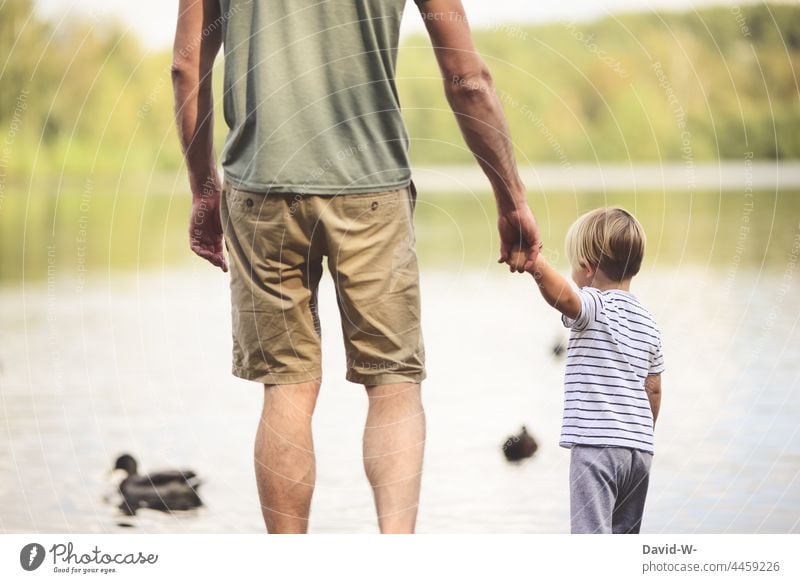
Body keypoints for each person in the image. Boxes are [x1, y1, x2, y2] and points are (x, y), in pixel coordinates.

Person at [171, 0, 540, 534]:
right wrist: (510, 197)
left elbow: (187, 67)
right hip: (372, 188)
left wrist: (203, 189)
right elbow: (467, 78)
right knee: (393, 384)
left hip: (261, 189)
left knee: (286, 387)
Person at [514, 208, 664, 534]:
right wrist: (641, 431)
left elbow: (565, 298)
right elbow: (653, 387)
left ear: (586, 267)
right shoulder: (649, 324)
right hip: (639, 452)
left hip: (597, 448)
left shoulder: (594, 304)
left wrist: (534, 263)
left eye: (573, 266)